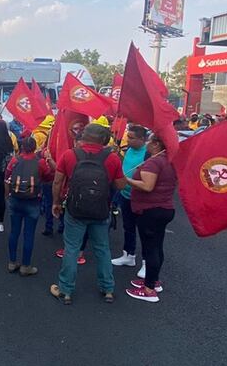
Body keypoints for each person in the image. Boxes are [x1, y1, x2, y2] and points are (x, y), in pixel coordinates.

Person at [49, 124, 125, 304]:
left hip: (75, 209)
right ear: (103, 140)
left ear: (84, 136)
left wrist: (56, 202)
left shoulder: (69, 155)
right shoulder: (112, 158)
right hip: (101, 210)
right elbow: (121, 185)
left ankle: (66, 290)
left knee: (71, 249)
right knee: (102, 249)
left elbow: (57, 182)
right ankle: (107, 288)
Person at [123, 133, 178, 303]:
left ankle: (149, 290)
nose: (147, 143)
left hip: (151, 210)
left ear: (156, 144)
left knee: (151, 248)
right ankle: (153, 280)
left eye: (150, 140)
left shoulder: (154, 162)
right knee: (157, 246)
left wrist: (127, 179)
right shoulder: (167, 160)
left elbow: (147, 186)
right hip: (164, 208)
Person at [5, 136, 53, 276]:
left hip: (15, 199)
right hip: (33, 201)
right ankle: (26, 266)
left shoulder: (14, 161)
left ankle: (12, 262)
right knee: (29, 234)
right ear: (34, 147)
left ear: (22, 147)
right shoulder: (40, 162)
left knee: (14, 232)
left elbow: (7, 176)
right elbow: (48, 176)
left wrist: (7, 195)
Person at [111, 125, 147, 269]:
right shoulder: (129, 150)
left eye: (132, 138)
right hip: (125, 194)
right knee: (128, 227)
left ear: (142, 139)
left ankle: (146, 263)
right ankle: (128, 255)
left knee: (144, 231)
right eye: (128, 137)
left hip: (140, 197)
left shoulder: (148, 154)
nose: (128, 140)